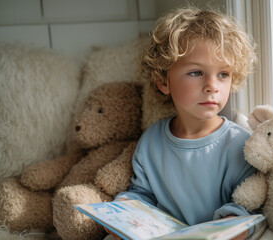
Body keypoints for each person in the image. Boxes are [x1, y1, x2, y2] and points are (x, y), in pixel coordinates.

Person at [105, 5, 258, 240]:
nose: (212, 86)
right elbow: (143, 194)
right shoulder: (152, 141)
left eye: (223, 74)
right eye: (196, 73)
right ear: (164, 82)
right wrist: (122, 211)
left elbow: (247, 205)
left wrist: (233, 225)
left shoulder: (240, 145)